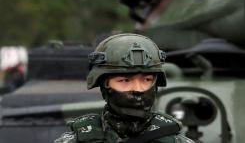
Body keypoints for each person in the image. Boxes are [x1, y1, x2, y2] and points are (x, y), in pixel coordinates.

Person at [53, 33, 193, 143]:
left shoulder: (174, 139)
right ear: (105, 85)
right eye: (125, 80)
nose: (138, 89)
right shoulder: (78, 139)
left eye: (147, 80)